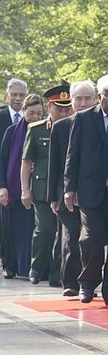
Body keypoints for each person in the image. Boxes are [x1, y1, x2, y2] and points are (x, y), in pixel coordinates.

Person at [64, 75, 108, 307]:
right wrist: (69, 188)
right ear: (100, 98)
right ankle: (88, 284)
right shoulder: (83, 119)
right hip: (92, 191)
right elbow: (73, 155)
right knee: (91, 240)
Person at [48, 80, 96, 297]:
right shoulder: (60, 127)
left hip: (92, 193)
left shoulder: (99, 124)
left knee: (89, 240)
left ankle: (89, 282)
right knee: (72, 237)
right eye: (78, 99)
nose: (83, 103)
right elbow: (54, 165)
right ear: (72, 101)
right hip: (65, 193)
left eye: (87, 98)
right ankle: (70, 282)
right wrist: (53, 197)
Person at [21, 85, 73, 285]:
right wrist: (25, 189)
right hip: (42, 188)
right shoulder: (36, 130)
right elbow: (26, 162)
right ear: (49, 107)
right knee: (44, 230)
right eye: (59, 108)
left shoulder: (73, 126)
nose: (63, 112)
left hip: (63, 188)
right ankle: (36, 266)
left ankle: (57, 274)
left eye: (66, 108)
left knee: (64, 234)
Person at [0, 93, 43, 278]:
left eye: (39, 113)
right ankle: (12, 267)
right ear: (24, 111)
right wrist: (2, 186)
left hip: (40, 190)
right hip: (14, 191)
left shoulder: (46, 130)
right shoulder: (11, 131)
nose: (35, 117)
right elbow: (2, 160)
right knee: (13, 231)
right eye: (31, 113)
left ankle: (34, 268)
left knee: (35, 231)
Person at [0, 78, 29, 278]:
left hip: (24, 185)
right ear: (7, 95)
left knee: (20, 227)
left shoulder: (33, 118)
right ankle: (7, 263)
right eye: (15, 94)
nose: (18, 98)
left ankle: (18, 265)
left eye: (22, 95)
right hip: (4, 181)